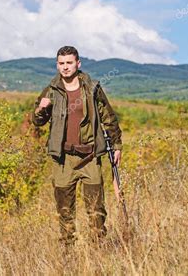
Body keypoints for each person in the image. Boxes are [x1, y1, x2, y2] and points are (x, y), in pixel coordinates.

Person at [32, 46, 123, 245]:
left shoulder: (92, 87)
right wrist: (41, 108)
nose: (65, 67)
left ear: (78, 63)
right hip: (63, 159)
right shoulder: (51, 90)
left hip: (90, 157)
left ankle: (98, 253)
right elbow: (37, 121)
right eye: (61, 63)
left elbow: (108, 117)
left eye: (69, 63)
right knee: (64, 211)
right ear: (57, 65)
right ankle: (68, 255)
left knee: (96, 210)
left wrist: (116, 145)